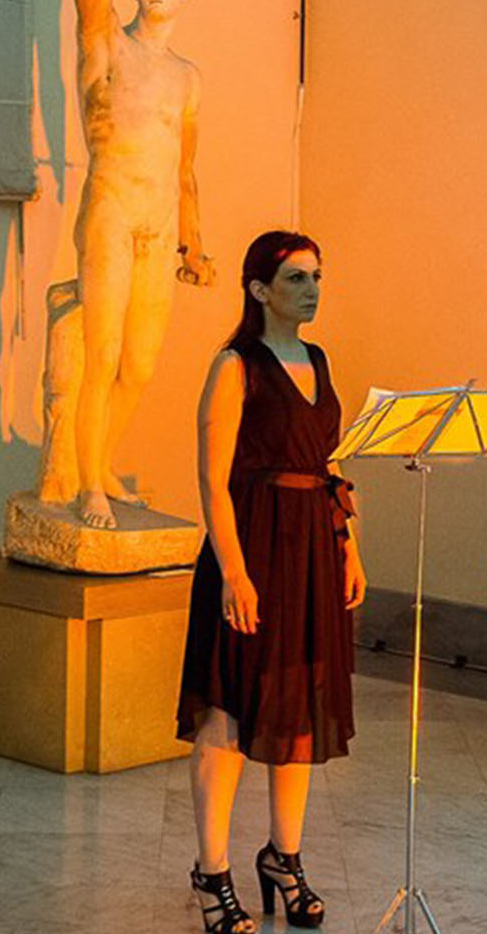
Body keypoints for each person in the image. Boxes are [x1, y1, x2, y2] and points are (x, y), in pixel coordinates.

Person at [177, 231, 367, 933]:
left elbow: (333, 465)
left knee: (297, 707)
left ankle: (284, 858)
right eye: (296, 279)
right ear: (260, 290)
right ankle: (212, 872)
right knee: (227, 711)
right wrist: (233, 570)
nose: (312, 289)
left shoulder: (319, 359)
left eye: (317, 276)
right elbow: (212, 478)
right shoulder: (235, 365)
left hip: (313, 544)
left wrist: (350, 548)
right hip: (252, 545)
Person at [46, 0, 214, 529]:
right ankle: (86, 484)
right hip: (112, 209)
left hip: (158, 216)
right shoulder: (105, 46)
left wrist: (195, 244)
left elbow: (185, 168)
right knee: (103, 352)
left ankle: (103, 461)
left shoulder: (187, 76)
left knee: (140, 366)